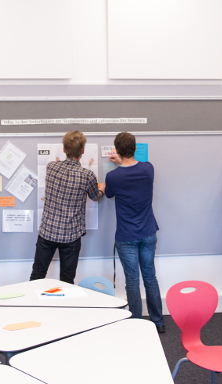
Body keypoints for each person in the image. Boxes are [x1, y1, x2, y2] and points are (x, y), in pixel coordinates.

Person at [104, 132, 165, 333]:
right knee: (150, 277)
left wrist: (117, 164)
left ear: (117, 150)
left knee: (132, 280)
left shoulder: (113, 176)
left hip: (126, 236)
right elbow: (134, 166)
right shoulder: (149, 169)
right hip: (148, 232)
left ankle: (137, 324)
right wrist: (122, 160)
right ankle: (158, 322)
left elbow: (110, 193)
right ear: (135, 148)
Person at [30, 130, 104, 284]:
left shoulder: (51, 167)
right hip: (71, 235)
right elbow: (94, 196)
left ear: (63, 149)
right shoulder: (87, 175)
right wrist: (102, 189)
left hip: (47, 232)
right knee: (67, 280)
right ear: (83, 150)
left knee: (37, 276)